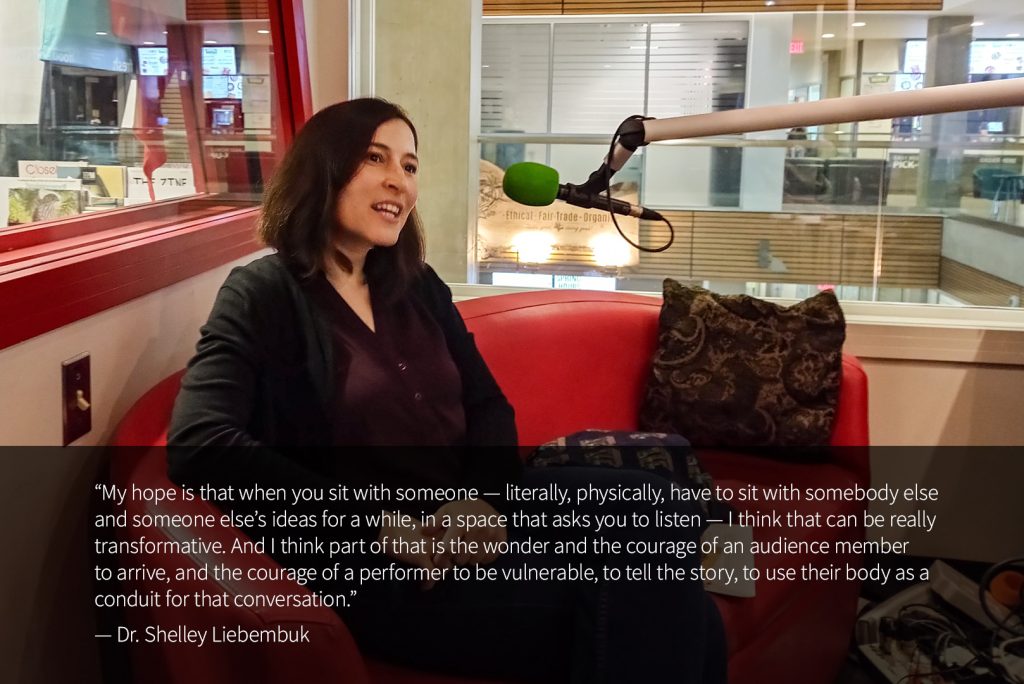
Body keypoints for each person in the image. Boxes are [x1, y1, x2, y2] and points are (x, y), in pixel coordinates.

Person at [168, 98, 725, 683]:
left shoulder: (414, 281)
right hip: (388, 558)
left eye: (409, 166)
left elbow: (486, 404)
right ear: (322, 169)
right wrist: (374, 522)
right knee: (662, 594)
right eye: (374, 158)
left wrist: (482, 500)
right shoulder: (262, 292)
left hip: (466, 510)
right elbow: (199, 442)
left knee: (657, 506)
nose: (398, 182)